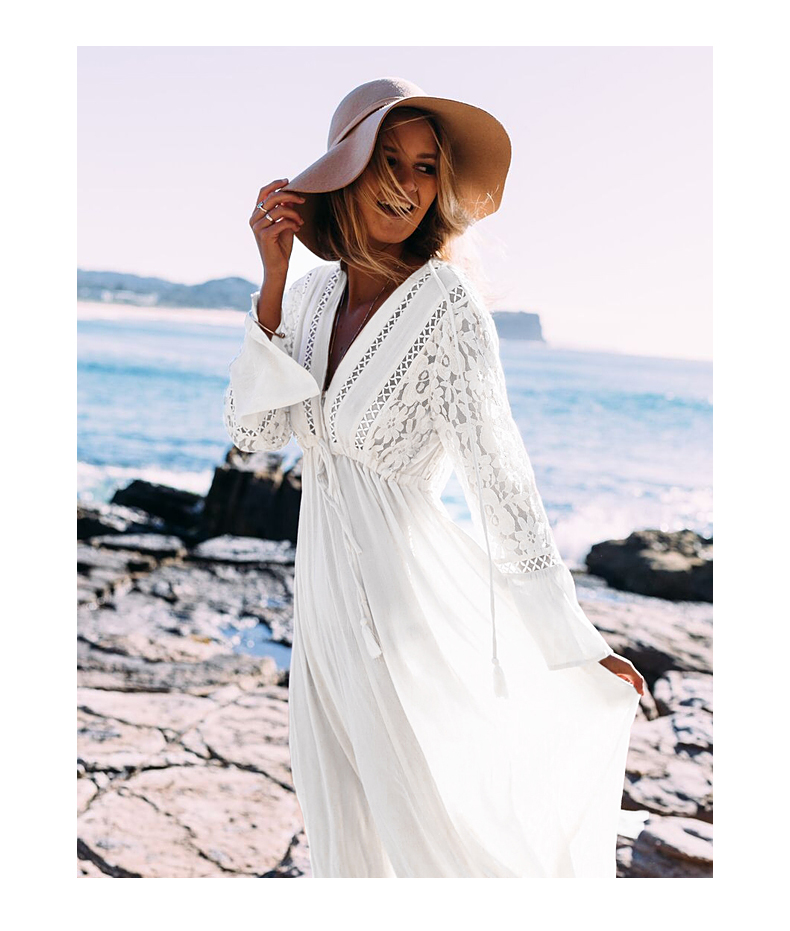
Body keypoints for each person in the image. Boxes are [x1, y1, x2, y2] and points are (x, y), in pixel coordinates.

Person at [223, 77, 645, 878]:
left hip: (406, 618)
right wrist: (272, 282)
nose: (406, 184)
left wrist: (570, 640)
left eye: (425, 167)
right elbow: (253, 433)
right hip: (321, 617)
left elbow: (502, 477)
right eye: (387, 159)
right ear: (344, 171)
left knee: (437, 854)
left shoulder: (448, 308)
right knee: (347, 852)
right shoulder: (309, 299)